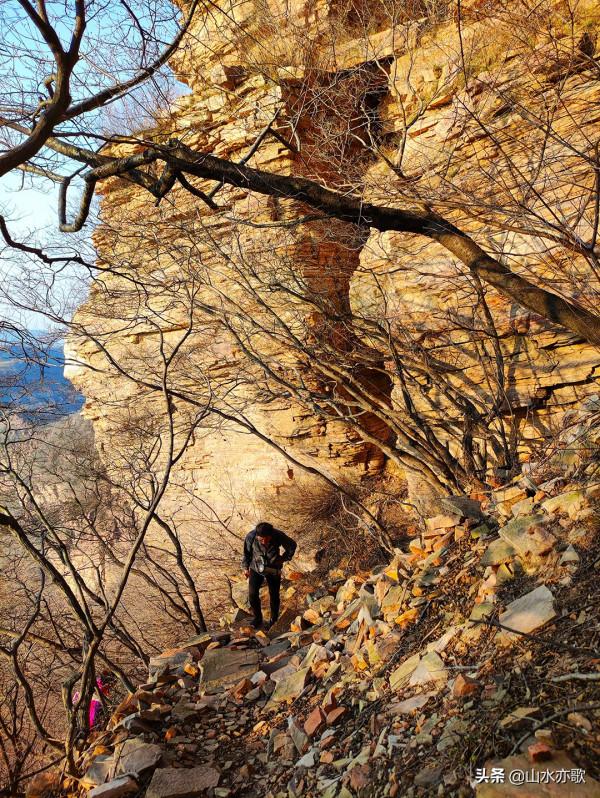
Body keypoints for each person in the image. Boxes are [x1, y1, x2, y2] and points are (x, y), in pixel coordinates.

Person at [242, 521, 297, 630]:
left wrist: (284, 558)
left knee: (274, 595)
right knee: (252, 594)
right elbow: (247, 553)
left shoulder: (277, 535)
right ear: (257, 536)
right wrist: (245, 568)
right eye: (261, 539)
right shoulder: (251, 536)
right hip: (256, 567)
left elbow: (292, 545)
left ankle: (274, 620)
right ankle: (257, 618)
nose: (263, 541)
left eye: (266, 538)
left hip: (273, 568)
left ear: (271, 535)